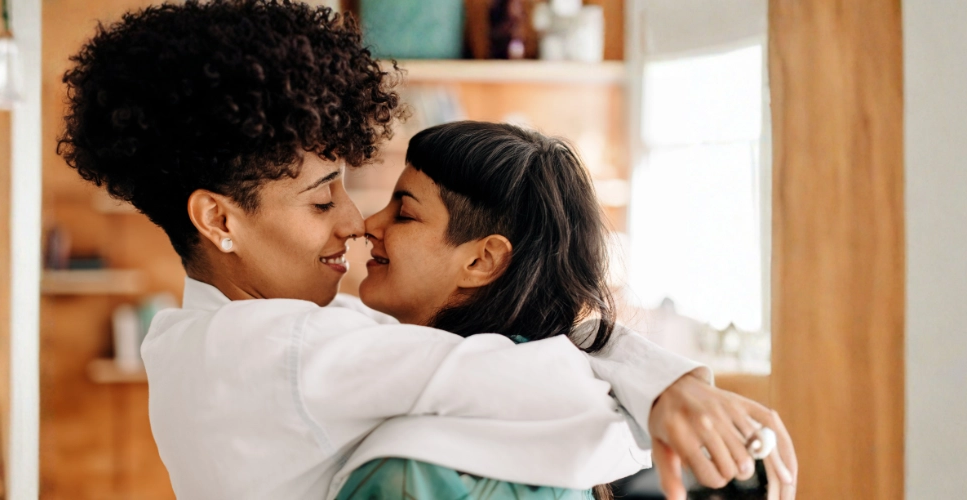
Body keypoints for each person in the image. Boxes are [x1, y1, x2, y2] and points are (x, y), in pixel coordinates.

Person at [56, 1, 796, 498]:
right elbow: (562, 390)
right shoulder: (287, 351)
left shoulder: (189, 340)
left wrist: (671, 382)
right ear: (219, 219)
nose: (353, 223)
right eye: (322, 199)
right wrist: (669, 391)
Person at [335, 121, 795, 499]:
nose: (368, 223)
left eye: (405, 213)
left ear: (481, 260)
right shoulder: (556, 395)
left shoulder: (420, 474)